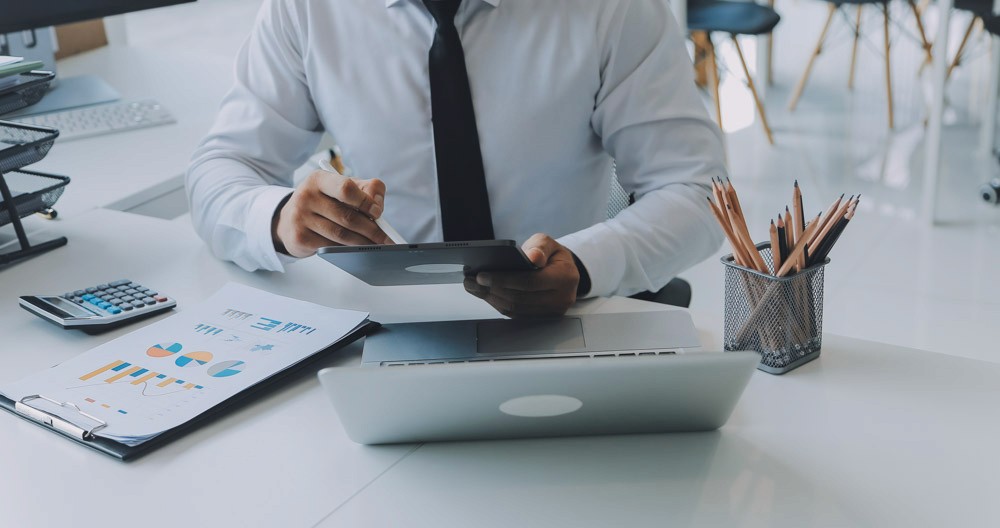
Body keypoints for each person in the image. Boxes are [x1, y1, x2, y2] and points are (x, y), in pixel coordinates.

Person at [186, 0, 725, 318]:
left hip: (568, 322)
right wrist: (281, 218)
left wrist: (585, 265)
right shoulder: (308, 9)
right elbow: (222, 170)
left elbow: (697, 190)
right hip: (386, 324)